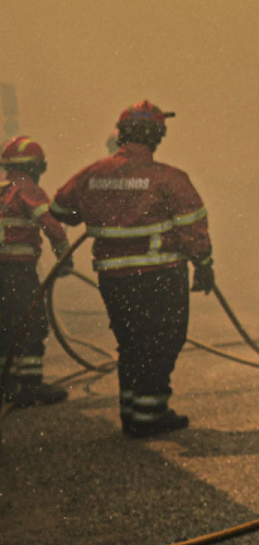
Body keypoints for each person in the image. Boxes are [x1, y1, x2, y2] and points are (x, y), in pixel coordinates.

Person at [52, 101, 214, 436]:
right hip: (160, 275)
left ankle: (131, 411)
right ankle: (150, 415)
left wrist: (94, 212)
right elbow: (193, 228)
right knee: (162, 342)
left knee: (131, 343)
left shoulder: (93, 173)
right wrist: (204, 265)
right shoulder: (169, 178)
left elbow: (60, 209)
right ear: (157, 136)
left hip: (113, 278)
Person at [0, 136, 70, 406]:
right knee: (30, 321)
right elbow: (49, 221)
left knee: (4, 324)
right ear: (34, 167)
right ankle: (30, 386)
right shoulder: (26, 188)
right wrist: (64, 254)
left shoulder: (3, 188)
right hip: (18, 271)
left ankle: (6, 384)